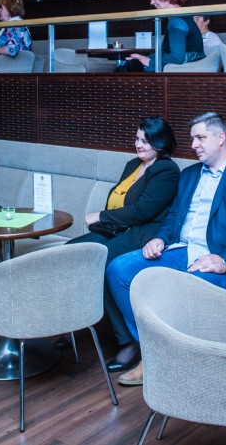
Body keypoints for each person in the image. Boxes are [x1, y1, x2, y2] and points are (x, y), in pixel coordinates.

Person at [106, 112, 226, 386]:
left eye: (200, 138)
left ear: (220, 138)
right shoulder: (189, 174)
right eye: (192, 138)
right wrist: (160, 238)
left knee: (182, 289)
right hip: (183, 250)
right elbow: (174, 216)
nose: (193, 144)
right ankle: (152, 350)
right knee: (119, 269)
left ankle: (170, 359)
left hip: (219, 257)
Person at [67, 117, 181, 373]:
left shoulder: (167, 170)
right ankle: (72, 324)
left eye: (146, 141)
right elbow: (121, 201)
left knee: (102, 262)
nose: (139, 145)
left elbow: (143, 211)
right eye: (137, 139)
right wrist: (107, 220)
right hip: (117, 229)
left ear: (161, 144)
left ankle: (128, 342)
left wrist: (101, 216)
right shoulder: (132, 164)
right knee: (71, 253)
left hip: (143, 233)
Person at [126, 0, 204, 71]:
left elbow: (177, 58)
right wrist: (142, 58)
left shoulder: (176, 21)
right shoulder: (181, 16)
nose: (151, 2)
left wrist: (148, 61)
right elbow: (165, 53)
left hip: (184, 72)